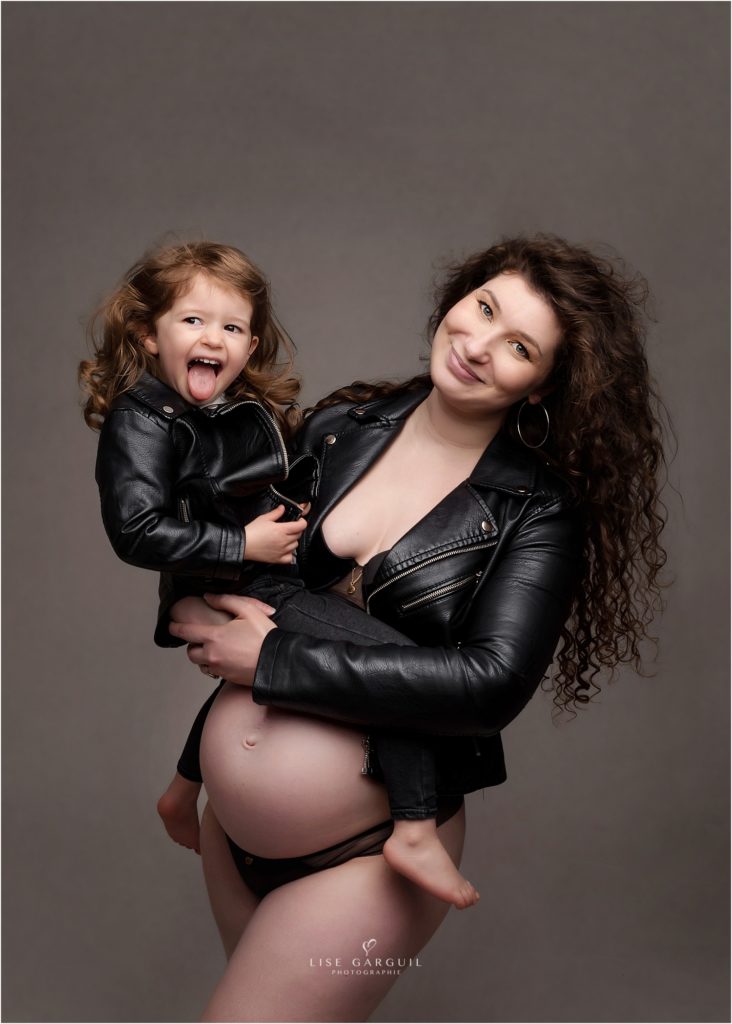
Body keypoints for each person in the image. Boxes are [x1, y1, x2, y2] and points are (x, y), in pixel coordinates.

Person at [169, 234, 668, 1023]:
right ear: (458, 297)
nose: (479, 345)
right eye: (484, 308)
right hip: (231, 834)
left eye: (519, 347)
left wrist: (274, 660)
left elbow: (488, 685)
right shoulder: (343, 425)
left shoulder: (536, 512)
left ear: (542, 385)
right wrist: (200, 600)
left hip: (367, 860)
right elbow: (247, 557)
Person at [79, 240, 480, 911]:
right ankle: (414, 829)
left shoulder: (224, 409)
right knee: (399, 668)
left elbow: (239, 488)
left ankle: (181, 790)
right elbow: (137, 530)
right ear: (148, 335)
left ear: (251, 344)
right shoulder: (140, 420)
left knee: (276, 664)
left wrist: (293, 513)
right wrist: (244, 544)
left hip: (255, 578)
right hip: (242, 581)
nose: (214, 338)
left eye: (233, 328)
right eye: (193, 321)